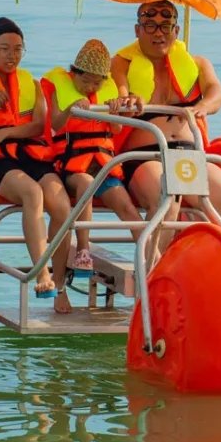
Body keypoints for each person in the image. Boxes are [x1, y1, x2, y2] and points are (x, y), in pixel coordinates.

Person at [0, 17, 73, 313]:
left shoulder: (32, 84)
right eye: (4, 49)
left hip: (33, 156)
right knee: (33, 195)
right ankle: (43, 274)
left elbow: (38, 126)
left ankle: (60, 283)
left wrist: (7, 132)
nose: (12, 56)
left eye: (18, 49)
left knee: (62, 208)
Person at [110, 0, 221, 245]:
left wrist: (201, 107)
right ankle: (154, 273)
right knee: (166, 198)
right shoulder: (122, 63)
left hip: (188, 155)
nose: (158, 33)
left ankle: (210, 267)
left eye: (165, 26)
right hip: (144, 156)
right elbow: (120, 94)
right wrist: (128, 100)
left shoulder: (198, 64)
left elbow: (217, 94)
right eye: (149, 25)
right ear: (137, 30)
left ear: (176, 31)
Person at [41, 39, 147, 274]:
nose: (90, 88)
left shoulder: (107, 92)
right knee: (87, 184)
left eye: (96, 83)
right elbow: (55, 126)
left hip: (102, 166)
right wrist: (71, 108)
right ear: (73, 73)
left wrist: (114, 111)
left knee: (128, 209)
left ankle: (152, 259)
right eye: (84, 81)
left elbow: (116, 130)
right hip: (72, 168)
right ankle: (83, 250)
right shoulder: (61, 89)